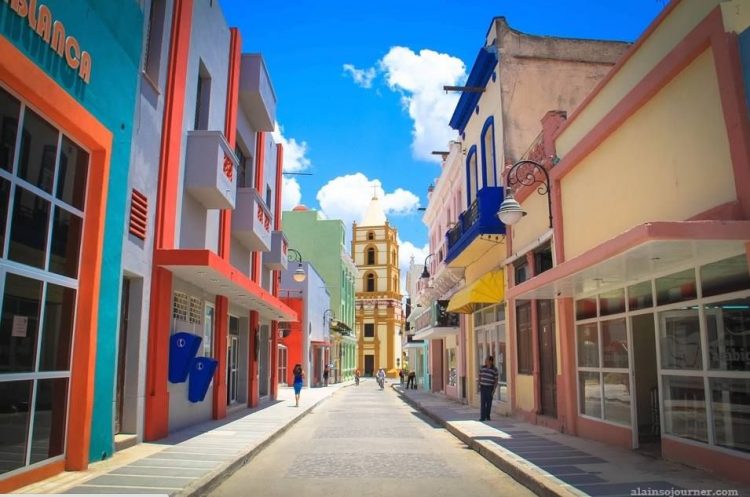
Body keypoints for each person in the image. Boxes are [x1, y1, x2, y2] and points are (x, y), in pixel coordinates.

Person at [478, 356, 499, 421]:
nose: (485, 361)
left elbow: (496, 380)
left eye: (486, 360)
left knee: (489, 403)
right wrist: (479, 385)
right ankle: (482, 417)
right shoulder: (482, 368)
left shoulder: (495, 369)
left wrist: (494, 389)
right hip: (483, 387)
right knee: (483, 403)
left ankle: (488, 416)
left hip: (490, 387)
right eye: (485, 360)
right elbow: (480, 377)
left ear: (491, 361)